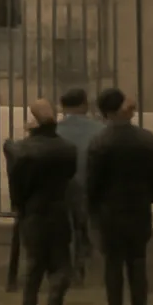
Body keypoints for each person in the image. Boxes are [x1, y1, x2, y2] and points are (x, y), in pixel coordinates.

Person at [85, 88, 153, 305]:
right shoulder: (146, 139)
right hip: (139, 209)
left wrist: (92, 208)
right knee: (138, 262)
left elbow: (92, 183)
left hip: (110, 212)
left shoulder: (100, 142)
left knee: (113, 265)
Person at [7, 98, 78, 305]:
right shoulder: (68, 150)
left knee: (34, 266)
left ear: (33, 122)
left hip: (32, 213)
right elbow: (69, 178)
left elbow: (17, 188)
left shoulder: (21, 150)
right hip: (58, 211)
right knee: (61, 266)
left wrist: (20, 205)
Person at [55, 87, 102, 285]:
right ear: (85, 105)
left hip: (62, 189)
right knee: (89, 228)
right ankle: (89, 268)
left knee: (67, 230)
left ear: (62, 106)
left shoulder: (54, 131)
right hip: (92, 188)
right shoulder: (100, 130)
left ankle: (70, 270)